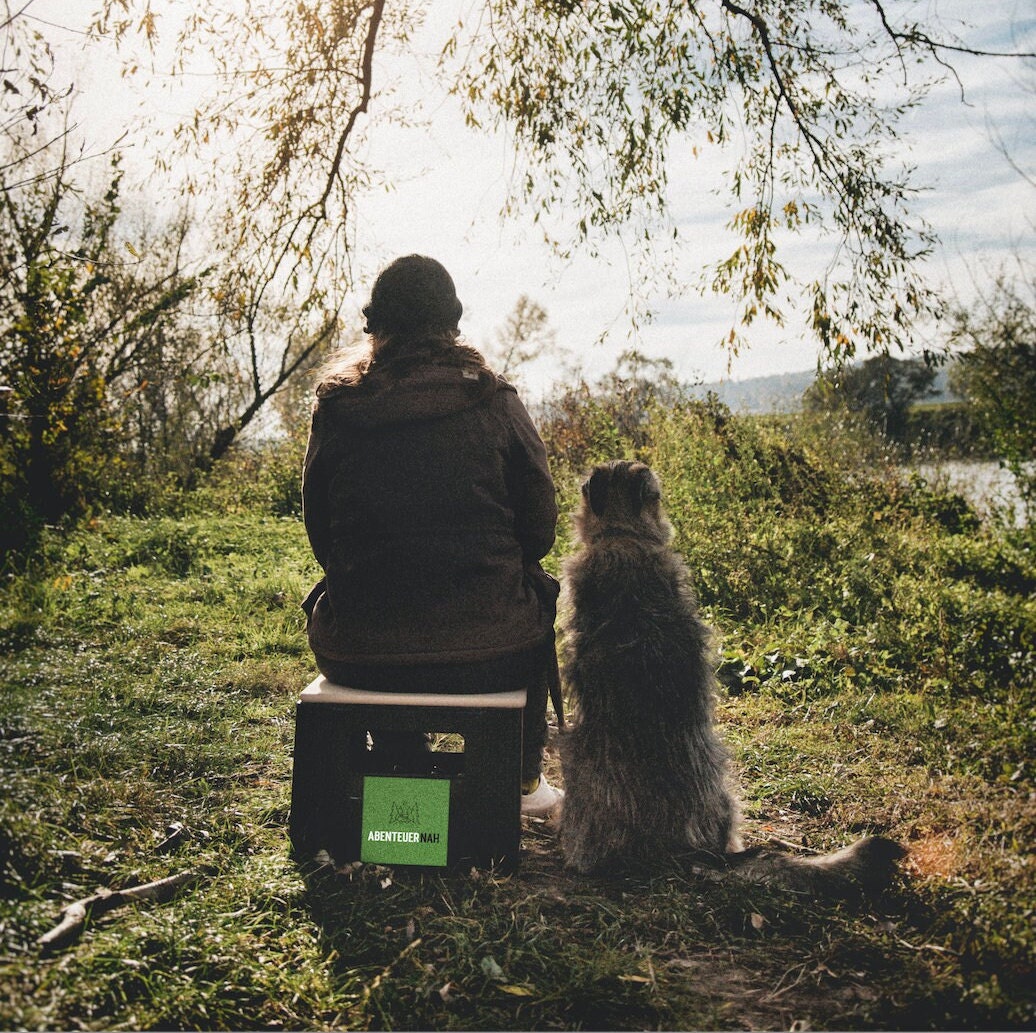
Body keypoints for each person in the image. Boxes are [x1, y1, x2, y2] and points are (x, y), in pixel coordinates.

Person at [301, 254, 563, 817]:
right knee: (536, 592)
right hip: (490, 654)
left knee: (391, 643)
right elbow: (539, 532)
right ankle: (521, 784)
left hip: (359, 653)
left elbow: (321, 535)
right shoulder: (496, 402)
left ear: (375, 327)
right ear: (453, 324)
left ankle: (400, 788)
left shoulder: (338, 408)